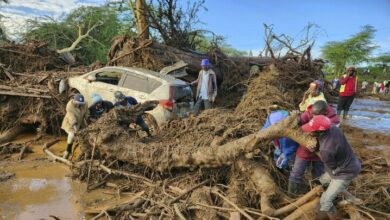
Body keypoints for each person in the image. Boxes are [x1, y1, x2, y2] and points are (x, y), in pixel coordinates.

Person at [301, 115, 362, 220]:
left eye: (311, 130)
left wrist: (315, 150)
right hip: (352, 162)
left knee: (325, 201)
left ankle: (335, 218)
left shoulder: (325, 150)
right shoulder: (334, 128)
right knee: (322, 181)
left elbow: (331, 166)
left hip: (344, 173)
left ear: (319, 132)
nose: (309, 132)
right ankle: (351, 198)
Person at [288, 100, 340, 196]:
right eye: (313, 115)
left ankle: (316, 194)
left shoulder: (333, 120)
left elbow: (331, 138)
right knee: (296, 172)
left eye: (317, 116)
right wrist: (295, 118)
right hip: (305, 148)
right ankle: (291, 196)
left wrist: (317, 144)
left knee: (318, 175)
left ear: (325, 113)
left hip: (321, 152)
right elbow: (300, 121)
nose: (314, 117)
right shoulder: (311, 112)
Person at [61, 94, 89, 159]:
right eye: (78, 103)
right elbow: (71, 118)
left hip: (79, 123)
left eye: (81, 103)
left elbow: (87, 113)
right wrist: (75, 128)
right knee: (72, 134)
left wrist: (88, 119)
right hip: (69, 124)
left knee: (84, 135)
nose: (79, 105)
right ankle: (68, 150)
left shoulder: (85, 104)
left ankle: (85, 151)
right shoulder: (69, 106)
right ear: (74, 101)